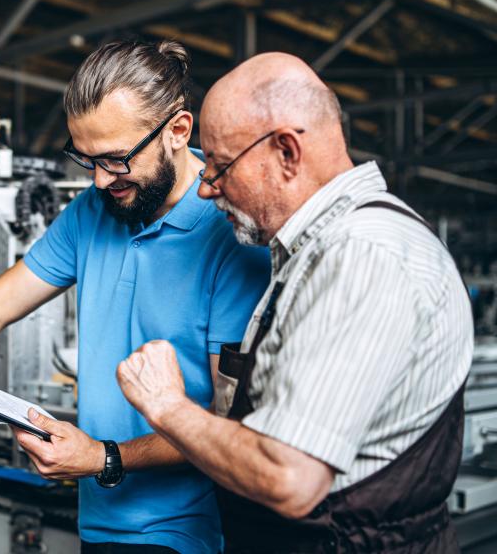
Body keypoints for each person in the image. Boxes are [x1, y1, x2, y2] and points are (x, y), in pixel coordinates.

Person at [0, 40, 270, 554]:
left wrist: (105, 458)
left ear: (178, 132)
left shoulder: (228, 232)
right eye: (85, 159)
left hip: (185, 532)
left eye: (116, 160)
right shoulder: (91, 212)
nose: (98, 180)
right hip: (96, 521)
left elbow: (227, 426)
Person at [117, 52, 474, 553]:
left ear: (287, 152)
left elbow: (289, 475)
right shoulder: (315, 251)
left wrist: (167, 406)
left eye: (220, 166)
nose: (206, 187)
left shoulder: (361, 255)